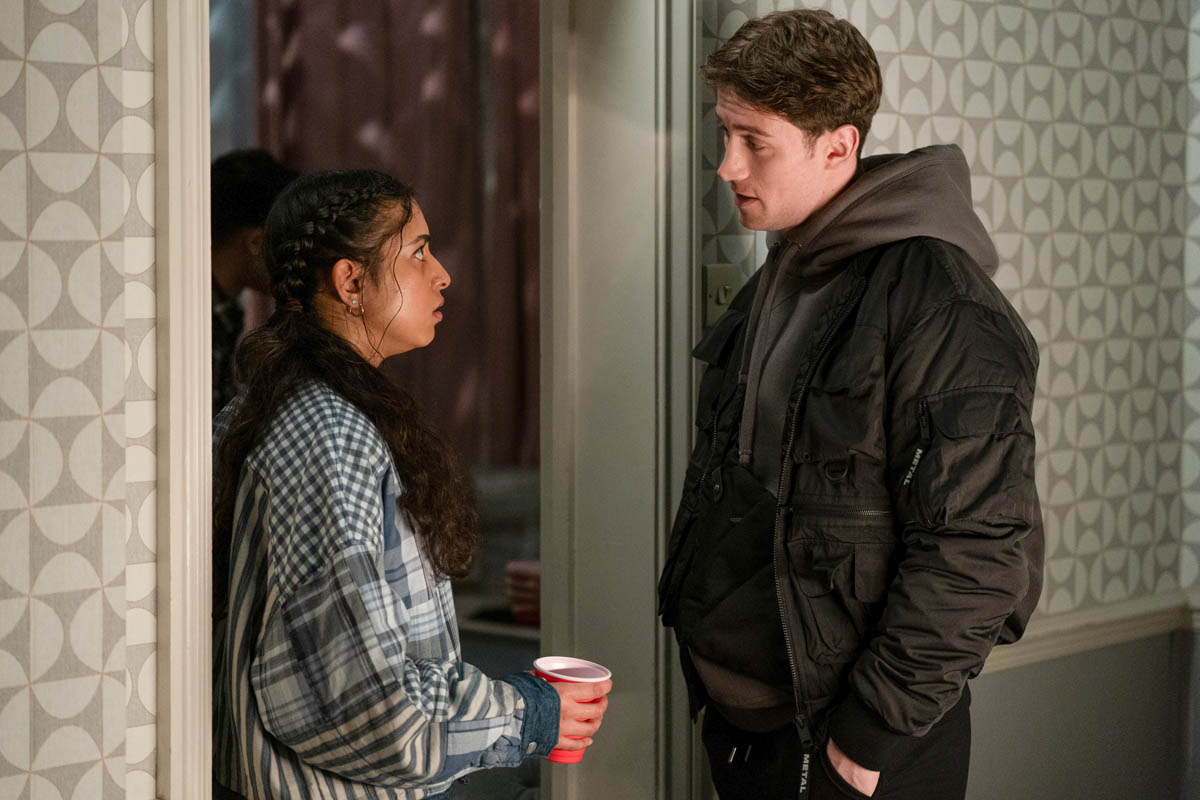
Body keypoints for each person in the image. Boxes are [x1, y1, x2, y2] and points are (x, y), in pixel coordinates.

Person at [657, 10, 1043, 800]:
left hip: (853, 746)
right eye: (725, 134)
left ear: (838, 147)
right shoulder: (788, 271)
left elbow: (977, 548)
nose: (727, 166)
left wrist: (866, 741)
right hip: (750, 729)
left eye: (754, 142)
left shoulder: (942, 304)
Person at [212, 170, 611, 800]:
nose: (442, 274)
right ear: (350, 282)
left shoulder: (279, 405)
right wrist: (533, 713)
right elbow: (371, 705)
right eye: (419, 253)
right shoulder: (329, 434)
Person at [210, 148, 298, 415]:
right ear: (257, 242)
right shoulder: (197, 319)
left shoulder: (225, 310)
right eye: (291, 242)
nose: (300, 259)